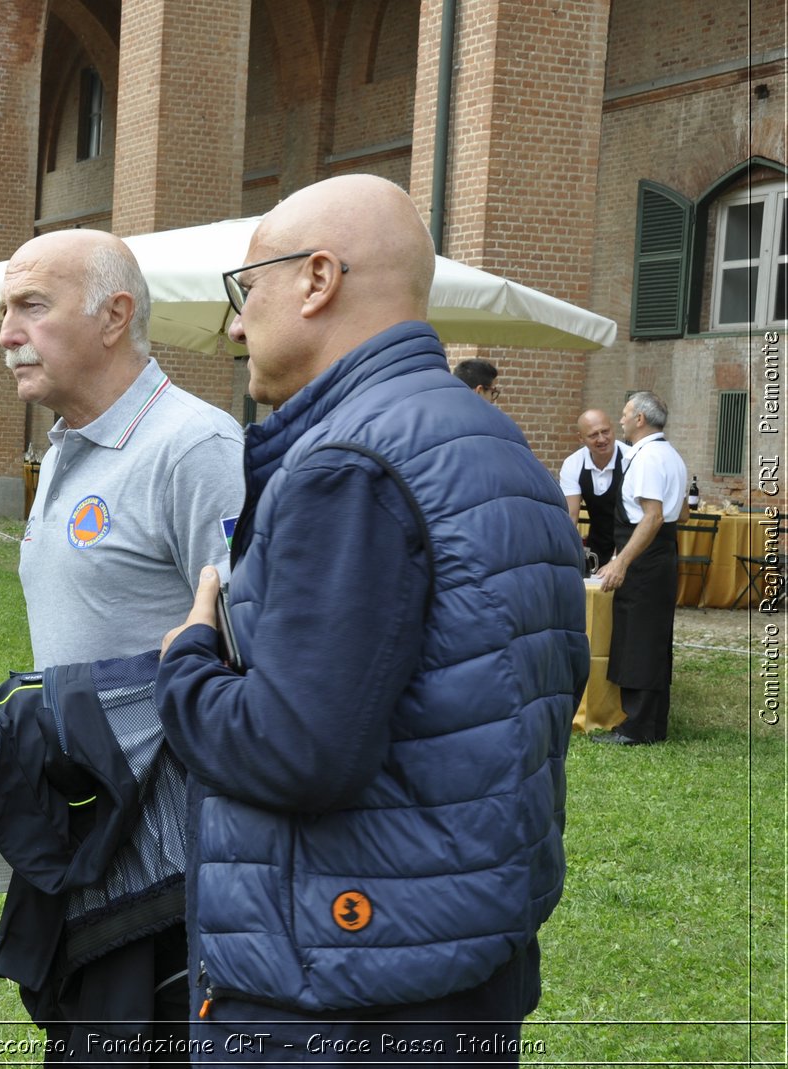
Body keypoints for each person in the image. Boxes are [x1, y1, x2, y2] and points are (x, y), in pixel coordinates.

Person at [156, 174, 588, 1064]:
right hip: (452, 956)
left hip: (340, 985)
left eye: (246, 292)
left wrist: (188, 660)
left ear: (317, 280)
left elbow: (297, 749)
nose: (235, 326)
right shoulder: (497, 442)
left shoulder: (346, 464)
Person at [0, 228, 244, 1059]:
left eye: (31, 305)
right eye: (4, 309)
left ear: (115, 316)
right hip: (85, 847)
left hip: (168, 872)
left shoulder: (195, 446)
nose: (4, 332)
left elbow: (247, 651)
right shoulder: (66, 443)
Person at [593, 391, 688, 746]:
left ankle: (636, 728)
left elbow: (652, 516)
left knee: (639, 639)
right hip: (663, 552)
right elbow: (683, 513)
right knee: (652, 637)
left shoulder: (648, 459)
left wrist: (622, 561)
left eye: (625, 413)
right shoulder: (671, 455)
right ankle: (651, 724)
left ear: (640, 420)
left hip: (646, 560)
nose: (620, 420)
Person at [559, 408, 627, 571]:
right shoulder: (573, 464)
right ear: (581, 438)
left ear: (613, 428)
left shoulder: (631, 459)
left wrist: (618, 560)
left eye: (605, 431)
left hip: (629, 545)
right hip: (596, 547)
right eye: (593, 435)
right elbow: (571, 516)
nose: (602, 439)